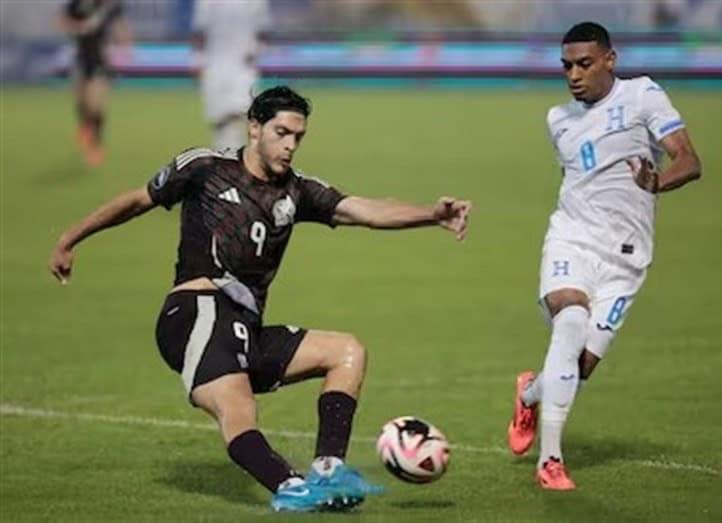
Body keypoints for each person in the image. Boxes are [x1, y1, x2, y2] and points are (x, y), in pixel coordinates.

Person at [49, 86, 472, 511]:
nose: (290, 145)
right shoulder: (204, 167)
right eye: (282, 132)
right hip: (197, 310)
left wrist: (430, 215)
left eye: (298, 137)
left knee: (347, 352)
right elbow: (138, 200)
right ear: (254, 128)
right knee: (237, 407)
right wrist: (70, 238)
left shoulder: (298, 191)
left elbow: (363, 210)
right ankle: (289, 488)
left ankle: (327, 470)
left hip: (241, 327)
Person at [506, 22, 702, 490]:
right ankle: (550, 461)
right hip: (571, 238)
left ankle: (530, 394)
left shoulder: (642, 96)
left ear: (610, 60)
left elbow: (689, 161)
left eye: (585, 63)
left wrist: (658, 182)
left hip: (626, 258)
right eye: (567, 65)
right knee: (570, 320)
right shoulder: (559, 119)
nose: (573, 74)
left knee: (580, 367)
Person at [58, 0, 132, 167]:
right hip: (80, 59)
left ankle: (96, 145)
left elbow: (120, 25)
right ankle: (85, 126)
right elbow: (61, 20)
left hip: (99, 60)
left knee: (96, 104)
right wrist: (79, 27)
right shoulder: (79, 4)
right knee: (81, 102)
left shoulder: (111, 7)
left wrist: (126, 45)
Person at [191, 0, 270, 151]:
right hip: (214, 66)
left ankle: (239, 159)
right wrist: (197, 60)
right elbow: (199, 32)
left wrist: (256, 51)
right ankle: (224, 157)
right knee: (219, 120)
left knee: (241, 114)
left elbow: (263, 30)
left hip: (242, 68)